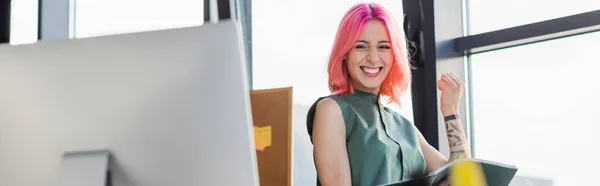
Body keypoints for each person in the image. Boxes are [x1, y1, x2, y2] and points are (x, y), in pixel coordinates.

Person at [306, 2, 470, 186]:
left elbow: (464, 180)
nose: (373, 58)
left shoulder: (406, 128)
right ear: (345, 52)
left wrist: (451, 111)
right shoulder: (332, 110)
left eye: (383, 47)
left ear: (395, 55)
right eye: (361, 46)